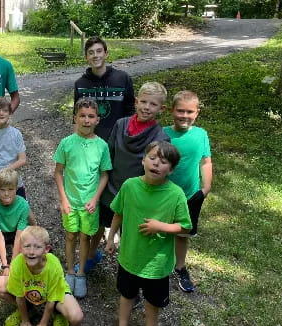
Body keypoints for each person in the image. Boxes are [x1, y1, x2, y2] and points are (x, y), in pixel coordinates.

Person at [105, 141, 192, 326]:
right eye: (152, 158)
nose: (156, 163)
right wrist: (111, 237)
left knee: (153, 302)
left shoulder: (176, 194)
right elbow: (118, 213)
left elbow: (185, 227)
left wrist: (160, 226)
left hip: (157, 265)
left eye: (163, 161)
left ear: (171, 170)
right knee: (127, 295)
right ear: (143, 160)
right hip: (129, 258)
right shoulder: (129, 186)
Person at [90, 82, 170, 275]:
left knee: (130, 237)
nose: (146, 107)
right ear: (136, 101)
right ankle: (90, 258)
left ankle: (128, 272)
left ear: (162, 108)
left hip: (136, 197)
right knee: (98, 226)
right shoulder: (121, 124)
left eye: (153, 104)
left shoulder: (161, 138)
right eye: (143, 102)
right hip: (110, 188)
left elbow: (157, 173)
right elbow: (108, 156)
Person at [73, 36, 135, 274]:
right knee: (94, 199)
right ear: (86, 56)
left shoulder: (122, 78)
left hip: (118, 149)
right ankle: (90, 253)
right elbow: (76, 116)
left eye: (100, 51)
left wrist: (129, 144)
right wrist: (75, 147)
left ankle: (121, 243)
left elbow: (131, 112)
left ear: (106, 54)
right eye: (91, 52)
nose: (96, 55)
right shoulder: (80, 83)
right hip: (92, 148)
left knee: (116, 196)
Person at [53, 98, 112, 298]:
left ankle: (81, 273)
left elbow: (104, 174)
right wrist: (64, 199)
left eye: (91, 116)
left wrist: (95, 199)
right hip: (71, 201)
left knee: (85, 236)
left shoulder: (102, 146)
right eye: (82, 116)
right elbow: (58, 172)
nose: (86, 120)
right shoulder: (66, 143)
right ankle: (70, 271)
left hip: (89, 204)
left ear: (97, 120)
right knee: (70, 235)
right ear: (75, 118)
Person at [163, 90, 213, 293]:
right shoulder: (162, 133)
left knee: (182, 233)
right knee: (160, 231)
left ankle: (180, 267)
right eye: (180, 111)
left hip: (191, 194)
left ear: (197, 113)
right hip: (164, 194)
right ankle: (157, 268)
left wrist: (206, 187)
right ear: (171, 110)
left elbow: (206, 160)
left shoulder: (201, 134)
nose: (184, 115)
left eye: (189, 112)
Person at [0, 226, 83, 326]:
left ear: (46, 249)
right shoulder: (17, 264)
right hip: (30, 292)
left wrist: (43, 323)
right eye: (27, 246)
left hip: (53, 295)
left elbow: (51, 299)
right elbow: (19, 297)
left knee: (76, 316)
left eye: (37, 247)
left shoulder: (54, 265)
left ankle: (58, 313)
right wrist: (25, 321)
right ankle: (28, 309)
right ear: (20, 248)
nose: (31, 252)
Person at [0, 96, 36, 226]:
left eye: (4, 110)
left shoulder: (16, 134)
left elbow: (22, 159)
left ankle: (38, 234)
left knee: (25, 208)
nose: (1, 113)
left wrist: (6, 171)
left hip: (12, 180)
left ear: (10, 112)